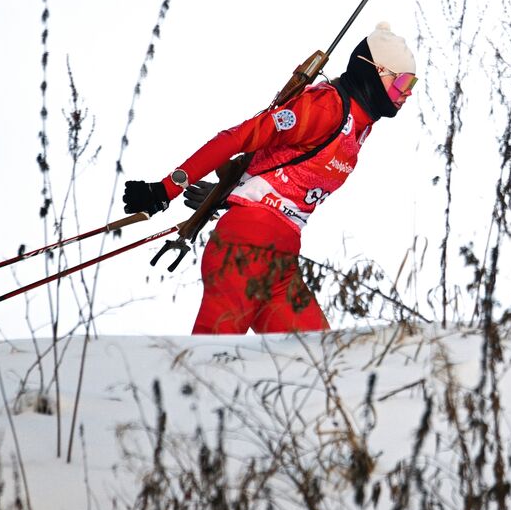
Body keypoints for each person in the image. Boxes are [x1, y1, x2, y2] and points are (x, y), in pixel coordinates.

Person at [122, 22, 417, 334]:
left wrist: (232, 191)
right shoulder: (325, 109)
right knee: (210, 364)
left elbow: (285, 168)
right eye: (402, 82)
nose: (407, 93)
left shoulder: (360, 126)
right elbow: (237, 138)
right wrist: (166, 189)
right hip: (246, 249)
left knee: (321, 366)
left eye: (412, 84)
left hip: (280, 262)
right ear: (375, 71)